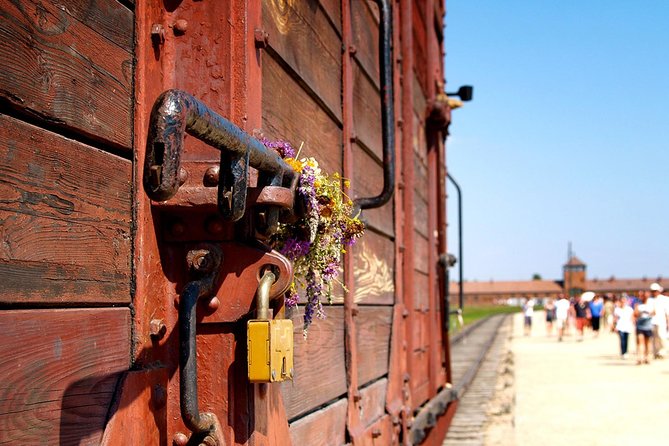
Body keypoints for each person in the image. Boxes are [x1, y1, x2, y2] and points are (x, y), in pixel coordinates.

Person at [634, 290, 655, 364]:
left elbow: (654, 313)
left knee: (648, 343)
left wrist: (649, 313)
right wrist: (640, 313)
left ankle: (647, 357)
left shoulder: (651, 304)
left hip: (648, 326)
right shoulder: (638, 305)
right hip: (640, 326)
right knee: (640, 342)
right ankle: (640, 357)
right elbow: (635, 314)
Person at [649, 283, 668, 359]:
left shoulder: (664, 299)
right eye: (652, 291)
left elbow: (667, 312)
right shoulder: (650, 300)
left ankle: (662, 352)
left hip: (661, 321)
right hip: (652, 322)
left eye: (655, 290)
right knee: (654, 338)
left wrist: (668, 322)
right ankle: (656, 352)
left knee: (662, 337)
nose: (654, 292)